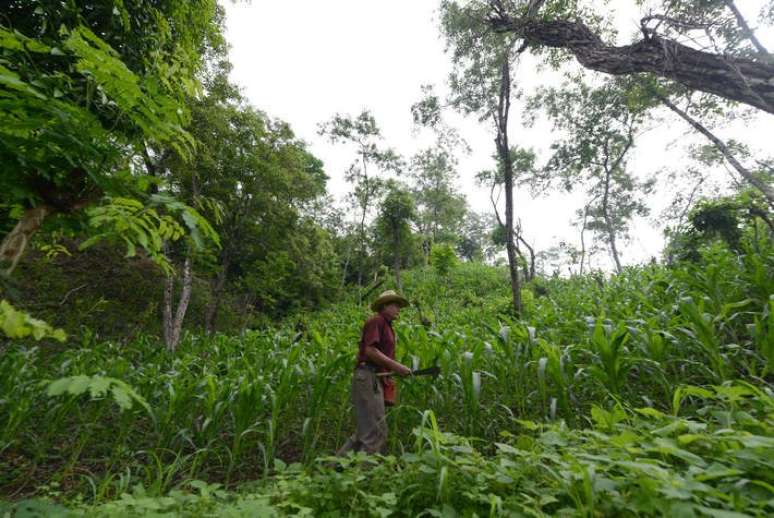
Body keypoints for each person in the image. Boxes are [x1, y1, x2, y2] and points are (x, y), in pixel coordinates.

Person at [337, 290, 412, 455]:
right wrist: (396, 367)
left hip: (374, 377)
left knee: (365, 432)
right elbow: (370, 351)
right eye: (395, 305)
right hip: (367, 376)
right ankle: (363, 475)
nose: (398, 309)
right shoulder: (376, 321)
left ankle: (332, 469)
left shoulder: (387, 326)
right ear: (384, 306)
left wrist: (391, 373)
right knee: (376, 432)